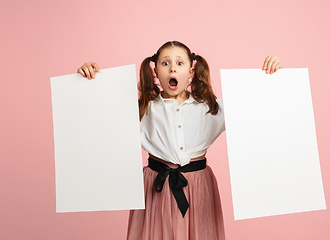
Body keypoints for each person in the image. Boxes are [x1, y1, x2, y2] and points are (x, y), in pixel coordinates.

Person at [77, 41, 283, 240]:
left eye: (180, 63)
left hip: (198, 187)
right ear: (155, 71)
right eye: (165, 63)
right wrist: (90, 79)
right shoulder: (142, 108)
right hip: (155, 187)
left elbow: (255, 108)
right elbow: (99, 115)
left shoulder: (211, 107)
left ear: (191, 72)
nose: (172, 69)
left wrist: (271, 75)